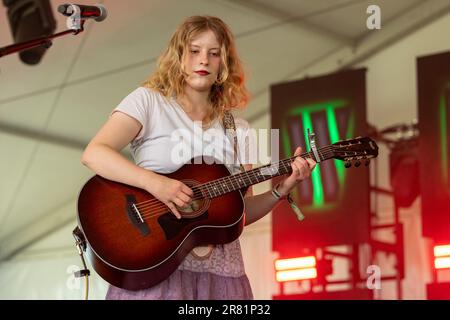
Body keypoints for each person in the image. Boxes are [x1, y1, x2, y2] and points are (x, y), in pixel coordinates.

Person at [81, 15, 316, 300]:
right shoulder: (148, 101)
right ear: (179, 57)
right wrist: (157, 184)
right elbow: (95, 153)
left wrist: (282, 189)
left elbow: (239, 213)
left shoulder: (239, 130)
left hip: (222, 278)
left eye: (214, 53)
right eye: (194, 51)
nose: (203, 60)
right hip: (156, 269)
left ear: (223, 65)